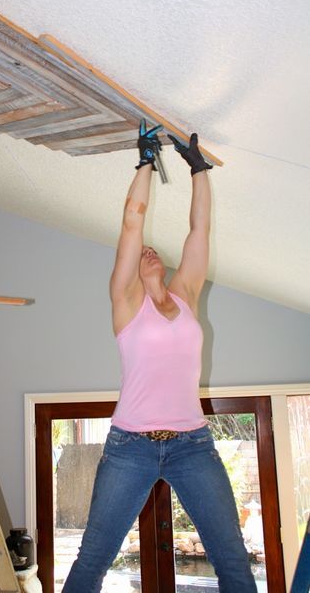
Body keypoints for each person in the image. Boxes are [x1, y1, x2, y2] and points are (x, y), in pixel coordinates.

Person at [62, 123, 257, 593]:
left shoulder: (186, 293)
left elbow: (200, 228)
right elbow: (133, 219)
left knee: (231, 556)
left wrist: (198, 170)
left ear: (166, 267)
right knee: (94, 556)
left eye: (153, 253)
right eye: (142, 253)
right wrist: (145, 160)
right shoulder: (127, 305)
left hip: (193, 444)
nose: (147, 251)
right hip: (130, 445)